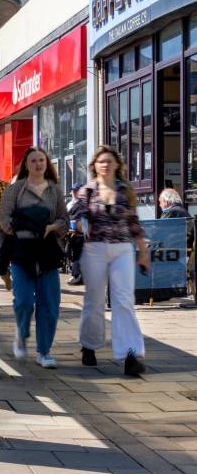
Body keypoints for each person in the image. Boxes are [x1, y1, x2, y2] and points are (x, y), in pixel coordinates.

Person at [73, 146, 148, 376]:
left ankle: (130, 354)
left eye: (109, 161)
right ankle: (89, 345)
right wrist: (81, 223)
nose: (105, 165)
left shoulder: (126, 191)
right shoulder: (87, 191)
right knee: (94, 300)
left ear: (117, 165)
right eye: (101, 162)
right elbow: (77, 219)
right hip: (94, 248)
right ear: (94, 166)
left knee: (124, 300)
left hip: (122, 249)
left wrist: (143, 251)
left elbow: (134, 223)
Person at [0, 147, 68, 369]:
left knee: (49, 304)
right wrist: (22, 227)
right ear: (26, 165)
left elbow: (64, 221)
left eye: (41, 160)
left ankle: (44, 352)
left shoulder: (55, 190)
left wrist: (52, 227)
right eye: (33, 160)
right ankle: (21, 334)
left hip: (47, 252)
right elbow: (4, 219)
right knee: (24, 301)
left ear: (47, 163)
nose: (38, 164)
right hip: (22, 252)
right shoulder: (15, 189)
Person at [66, 183, 86, 285]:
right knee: (70, 253)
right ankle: (75, 273)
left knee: (77, 255)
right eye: (73, 191)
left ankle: (76, 275)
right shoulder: (69, 204)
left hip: (80, 234)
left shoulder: (83, 204)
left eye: (76, 190)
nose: (74, 193)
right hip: (69, 234)